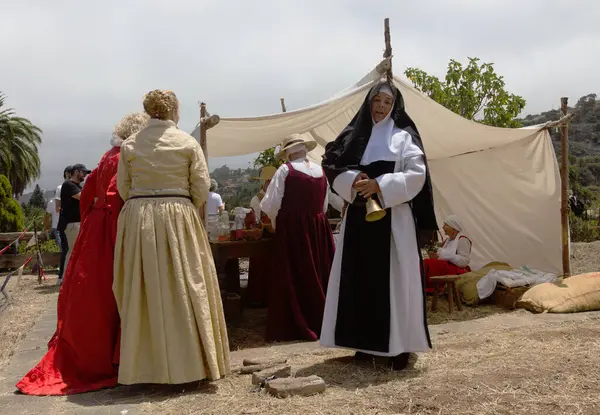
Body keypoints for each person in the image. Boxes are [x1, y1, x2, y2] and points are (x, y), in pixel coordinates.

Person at [16, 113, 149, 395]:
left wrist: (92, 217)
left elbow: (89, 193)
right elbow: (121, 192)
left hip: (97, 228)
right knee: (121, 289)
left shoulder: (106, 157)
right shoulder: (130, 156)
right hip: (118, 224)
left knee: (95, 294)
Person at [113, 90, 230, 385]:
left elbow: (124, 188)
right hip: (179, 213)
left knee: (143, 288)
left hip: (138, 218)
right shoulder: (187, 142)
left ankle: (145, 368)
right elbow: (201, 187)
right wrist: (181, 206)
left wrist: (145, 202)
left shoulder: (129, 144)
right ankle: (191, 364)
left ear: (148, 111)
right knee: (187, 285)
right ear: (174, 110)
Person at [320, 81, 438, 370]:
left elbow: (417, 174)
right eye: (377, 100)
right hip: (359, 221)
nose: (381, 106)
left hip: (393, 221)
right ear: (369, 103)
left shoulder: (403, 139)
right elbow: (331, 165)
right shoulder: (352, 138)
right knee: (358, 279)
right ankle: (364, 343)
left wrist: (381, 185)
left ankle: (398, 349)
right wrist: (353, 181)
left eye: (387, 101)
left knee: (394, 282)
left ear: (394, 106)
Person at [260, 134, 335, 341]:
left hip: (293, 230)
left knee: (293, 274)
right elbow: (323, 206)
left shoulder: (285, 171)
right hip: (318, 228)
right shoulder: (322, 172)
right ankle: (323, 321)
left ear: (287, 153)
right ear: (305, 149)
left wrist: (277, 223)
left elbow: (270, 204)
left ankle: (295, 324)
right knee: (318, 272)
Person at [246, 166, 277, 307]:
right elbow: (257, 221)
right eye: (269, 181)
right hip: (262, 238)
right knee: (260, 269)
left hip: (277, 238)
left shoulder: (279, 197)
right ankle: (258, 299)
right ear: (264, 183)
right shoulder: (256, 199)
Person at [57, 163, 91, 285]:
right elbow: (83, 197)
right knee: (72, 251)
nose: (85, 175)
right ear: (76, 172)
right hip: (71, 224)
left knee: (76, 251)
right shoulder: (69, 185)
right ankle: (66, 279)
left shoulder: (77, 186)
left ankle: (71, 278)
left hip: (77, 224)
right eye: (83, 172)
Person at [424, 214, 472, 293]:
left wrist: (443, 256)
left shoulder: (462, 240)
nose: (443, 227)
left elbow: (464, 261)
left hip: (458, 270)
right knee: (426, 261)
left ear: (454, 228)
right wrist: (436, 256)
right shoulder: (448, 240)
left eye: (446, 225)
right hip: (448, 266)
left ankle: (430, 287)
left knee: (428, 263)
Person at [54, 166, 72, 280]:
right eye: (70, 173)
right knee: (65, 249)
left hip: (73, 221)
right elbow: (57, 207)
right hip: (65, 221)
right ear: (66, 174)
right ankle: (61, 275)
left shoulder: (76, 187)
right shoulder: (60, 188)